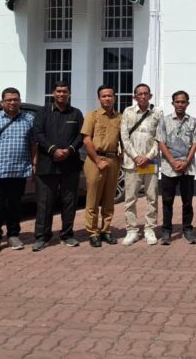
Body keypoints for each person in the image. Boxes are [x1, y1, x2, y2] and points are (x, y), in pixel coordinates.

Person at [0, 88, 36, 254]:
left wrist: (34, 163)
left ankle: (13, 235)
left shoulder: (28, 119)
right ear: (2, 102)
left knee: (15, 205)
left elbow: (33, 144)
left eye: (15, 99)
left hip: (19, 170)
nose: (12, 102)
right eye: (9, 100)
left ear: (20, 101)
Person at [31, 81, 85, 252]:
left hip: (70, 164)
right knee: (44, 202)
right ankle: (42, 237)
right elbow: (37, 134)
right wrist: (53, 149)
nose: (62, 94)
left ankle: (67, 235)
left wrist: (69, 150)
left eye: (65, 91)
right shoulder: (42, 112)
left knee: (69, 201)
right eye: (58, 91)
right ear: (53, 93)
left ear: (69, 94)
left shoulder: (76, 113)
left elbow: (81, 136)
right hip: (47, 165)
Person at [157, 90, 196, 245]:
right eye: (177, 102)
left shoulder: (193, 122)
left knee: (187, 201)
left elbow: (195, 143)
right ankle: (166, 230)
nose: (180, 105)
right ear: (173, 103)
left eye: (183, 102)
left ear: (188, 103)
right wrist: (172, 162)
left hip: (187, 168)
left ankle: (187, 229)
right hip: (169, 168)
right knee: (167, 201)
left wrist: (186, 162)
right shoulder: (164, 121)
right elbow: (161, 143)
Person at [120, 83, 163, 246]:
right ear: (134, 97)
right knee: (130, 198)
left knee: (151, 197)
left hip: (150, 162)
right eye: (140, 94)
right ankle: (132, 230)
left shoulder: (157, 113)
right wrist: (137, 156)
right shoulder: (128, 112)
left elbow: (159, 139)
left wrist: (148, 156)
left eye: (146, 93)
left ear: (150, 96)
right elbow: (124, 138)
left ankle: (150, 229)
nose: (143, 96)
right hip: (132, 163)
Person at [81, 85, 122, 247]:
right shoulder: (93, 116)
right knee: (93, 198)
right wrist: (98, 160)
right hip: (95, 160)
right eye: (104, 96)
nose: (107, 98)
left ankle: (106, 230)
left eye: (110, 96)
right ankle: (92, 232)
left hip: (113, 161)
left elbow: (123, 138)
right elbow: (86, 140)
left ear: (115, 98)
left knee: (109, 199)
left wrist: (122, 153)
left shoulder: (119, 117)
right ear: (99, 98)